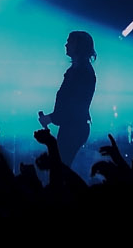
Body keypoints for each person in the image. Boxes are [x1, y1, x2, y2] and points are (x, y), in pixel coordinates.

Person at [38, 31, 96, 172]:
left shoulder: (81, 72)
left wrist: (51, 118)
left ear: (79, 45)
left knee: (60, 169)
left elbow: (74, 105)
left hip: (74, 128)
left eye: (70, 41)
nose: (66, 45)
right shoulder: (78, 70)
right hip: (73, 127)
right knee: (61, 167)